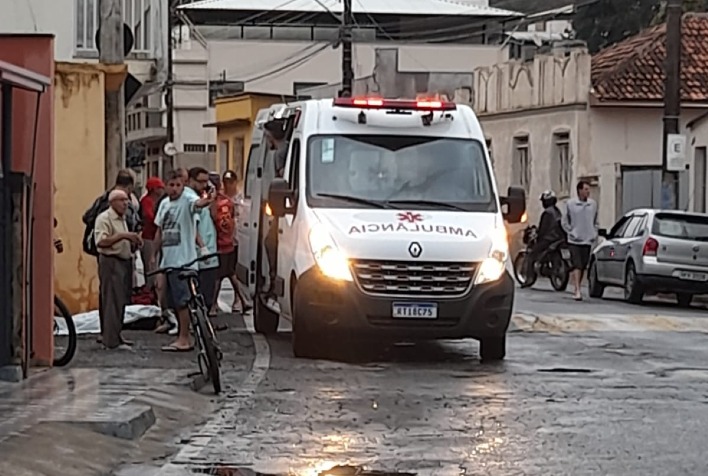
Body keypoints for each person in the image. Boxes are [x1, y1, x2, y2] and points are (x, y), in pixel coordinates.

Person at [153, 170, 214, 352]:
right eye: (171, 185)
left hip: (184, 261)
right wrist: (153, 257)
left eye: (178, 185)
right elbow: (159, 232)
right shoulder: (164, 204)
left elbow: (198, 204)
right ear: (165, 186)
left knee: (182, 302)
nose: (174, 189)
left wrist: (207, 200)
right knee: (173, 301)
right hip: (169, 261)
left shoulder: (187, 200)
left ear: (183, 185)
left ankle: (184, 338)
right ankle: (186, 333)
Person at [94, 189, 143, 350]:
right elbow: (101, 242)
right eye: (122, 200)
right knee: (111, 301)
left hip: (123, 261)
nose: (126, 203)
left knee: (120, 300)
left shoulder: (122, 218)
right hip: (111, 261)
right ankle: (110, 340)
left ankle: (116, 335)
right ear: (112, 202)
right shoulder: (104, 218)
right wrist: (124, 236)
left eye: (126, 200)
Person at [212, 170, 250, 314]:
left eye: (231, 182)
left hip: (235, 240)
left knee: (229, 272)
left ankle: (237, 300)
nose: (228, 185)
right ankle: (238, 300)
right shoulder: (219, 200)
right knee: (226, 272)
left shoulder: (239, 199)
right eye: (226, 182)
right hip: (223, 241)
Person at [186, 167, 219, 315]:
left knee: (208, 291)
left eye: (207, 182)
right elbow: (194, 227)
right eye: (201, 182)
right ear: (191, 181)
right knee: (202, 292)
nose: (204, 185)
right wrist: (202, 247)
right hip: (200, 254)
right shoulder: (192, 199)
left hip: (210, 250)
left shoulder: (203, 198)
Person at [562, 180, 599, 301]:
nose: (588, 192)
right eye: (586, 189)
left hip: (587, 239)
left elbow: (595, 220)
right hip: (574, 240)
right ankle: (577, 289)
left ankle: (577, 286)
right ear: (579, 191)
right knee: (577, 264)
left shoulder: (592, 204)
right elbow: (564, 221)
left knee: (583, 265)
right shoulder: (571, 204)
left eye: (589, 189)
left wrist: (594, 232)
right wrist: (571, 232)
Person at [522, 190, 565, 288]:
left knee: (531, 255)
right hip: (558, 238)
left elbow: (543, 229)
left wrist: (537, 235)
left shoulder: (547, 213)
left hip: (549, 239)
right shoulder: (557, 211)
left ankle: (529, 278)